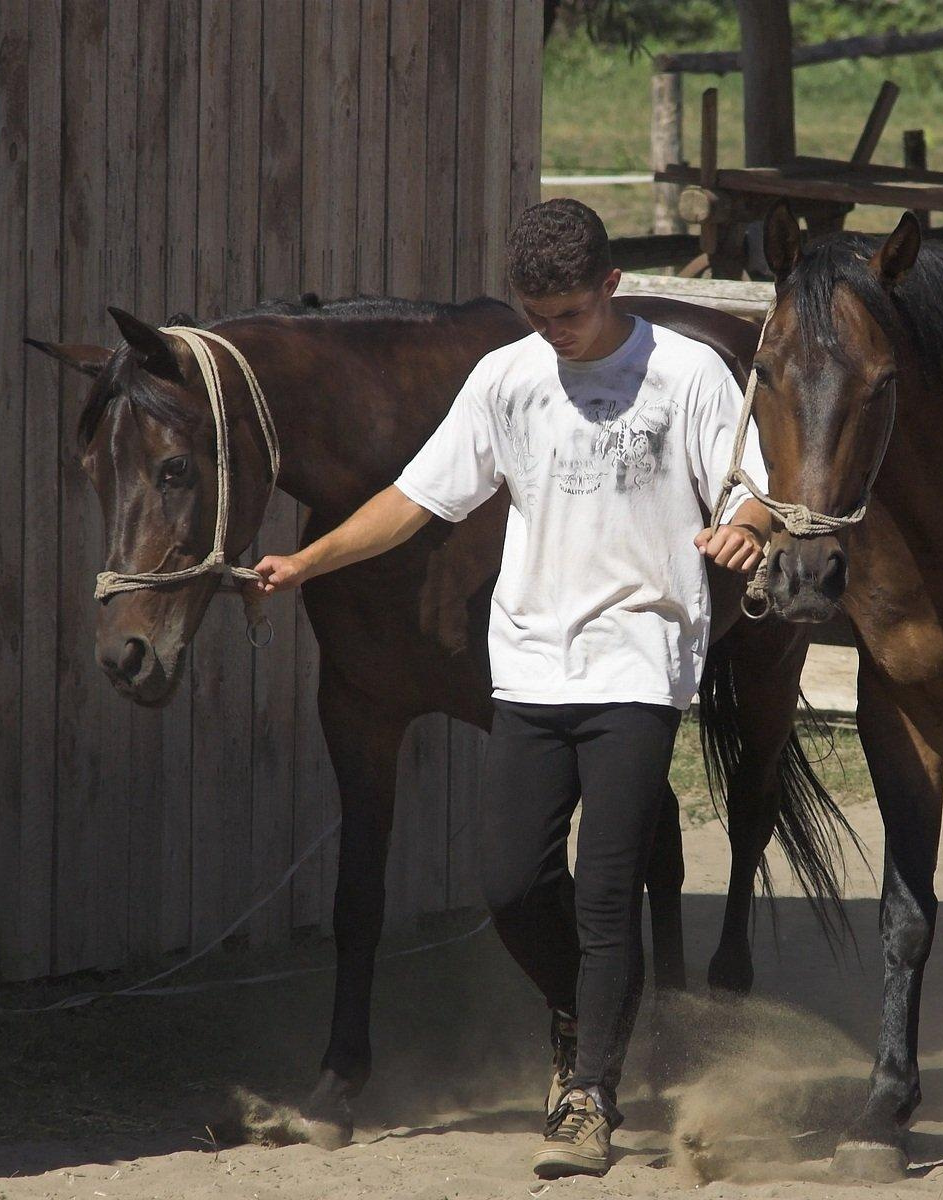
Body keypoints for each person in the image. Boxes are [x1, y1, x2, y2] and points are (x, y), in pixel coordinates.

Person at [250, 198, 771, 1179]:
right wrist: (307, 561)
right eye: (536, 316)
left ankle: (586, 1099)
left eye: (568, 315)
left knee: (607, 892)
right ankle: (585, 1011)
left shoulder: (687, 372)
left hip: (638, 661)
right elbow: (416, 499)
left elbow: (754, 487)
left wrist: (744, 525)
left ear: (610, 286)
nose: (553, 335)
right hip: (530, 665)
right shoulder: (508, 378)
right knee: (511, 887)